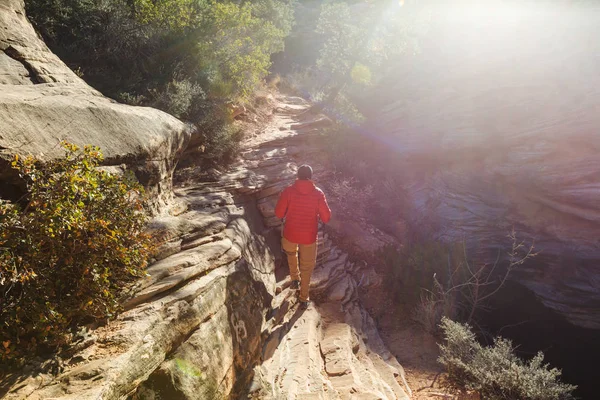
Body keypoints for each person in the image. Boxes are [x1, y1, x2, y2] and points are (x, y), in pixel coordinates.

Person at [275, 164, 331, 309]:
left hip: (290, 234)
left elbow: (279, 214)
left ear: (297, 176)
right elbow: (326, 218)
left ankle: (294, 278)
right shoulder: (318, 193)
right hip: (309, 237)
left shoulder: (288, 191)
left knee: (291, 253)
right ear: (311, 177)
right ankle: (304, 297)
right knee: (307, 267)